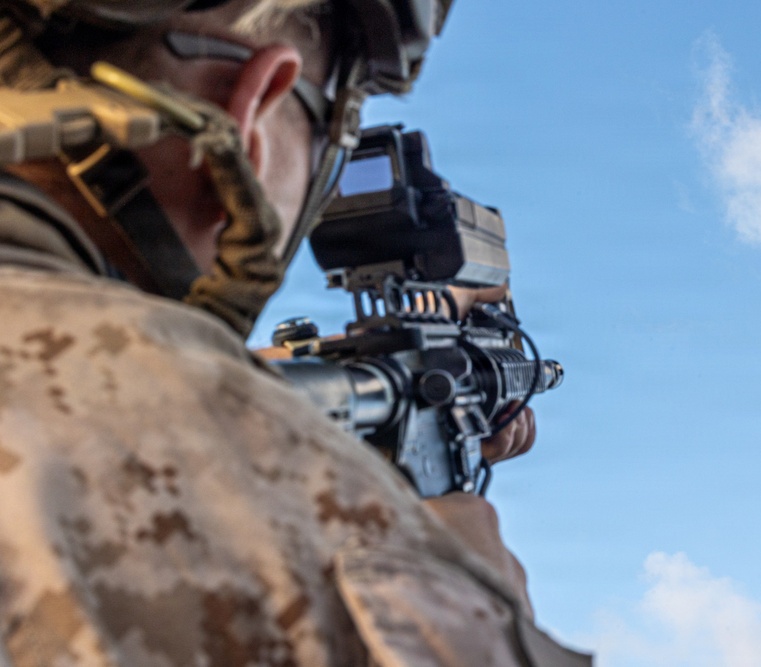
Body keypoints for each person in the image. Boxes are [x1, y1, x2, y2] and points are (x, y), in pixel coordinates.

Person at [0, 0, 589, 664]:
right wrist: (475, 608)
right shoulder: (339, 556)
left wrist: (251, 385)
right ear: (252, 110)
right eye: (329, 139)